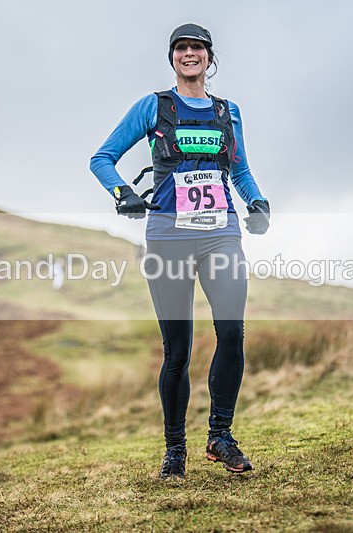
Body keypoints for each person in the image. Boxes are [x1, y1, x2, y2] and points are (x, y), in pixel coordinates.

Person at [90, 23, 270, 479]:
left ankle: (221, 436)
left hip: (220, 233)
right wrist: (123, 194)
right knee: (178, 351)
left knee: (232, 333)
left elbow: (240, 171)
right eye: (181, 48)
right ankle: (175, 450)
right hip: (168, 235)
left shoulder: (228, 112)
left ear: (210, 57)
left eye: (197, 48)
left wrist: (257, 202)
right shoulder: (153, 106)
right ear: (173, 57)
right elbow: (102, 158)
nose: (189, 54)